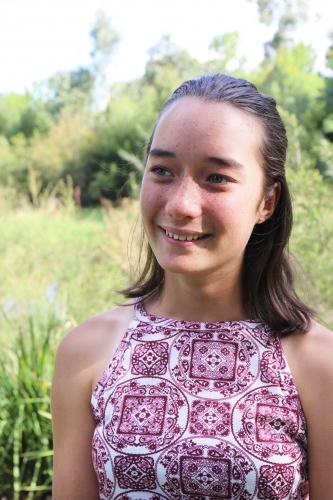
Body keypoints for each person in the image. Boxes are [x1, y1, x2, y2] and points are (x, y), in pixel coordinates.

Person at [51, 73, 333, 500]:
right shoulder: (86, 351)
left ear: (266, 202)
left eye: (216, 178)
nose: (180, 204)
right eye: (162, 170)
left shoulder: (318, 364)